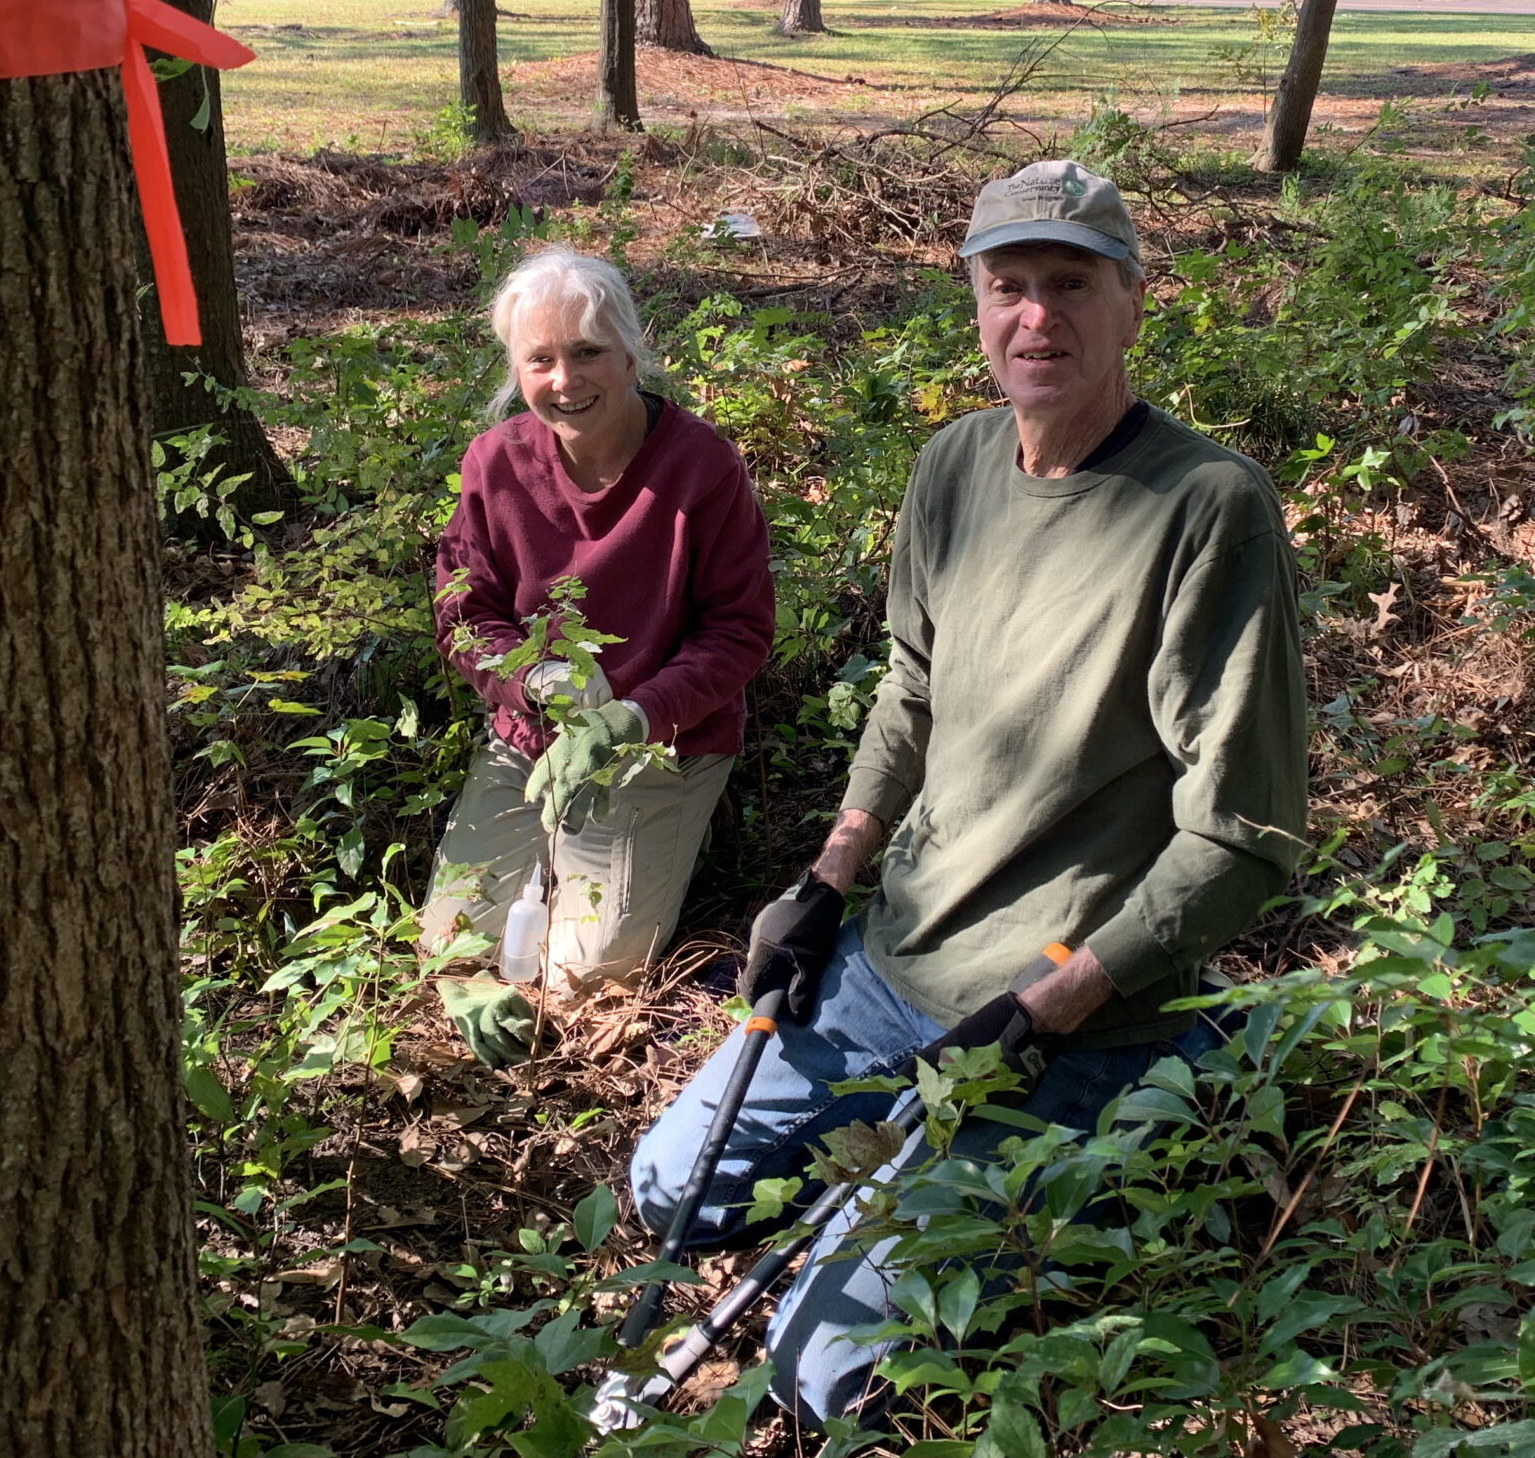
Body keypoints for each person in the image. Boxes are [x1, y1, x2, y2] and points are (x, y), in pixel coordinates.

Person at [628, 161, 1310, 1427]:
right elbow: (911, 690)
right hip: (896, 959)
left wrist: (1047, 1008)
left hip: (1065, 1005)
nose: (1035, 317)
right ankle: (901, 1170)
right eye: (1008, 287)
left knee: (825, 1372)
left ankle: (1164, 1096)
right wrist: (826, 878)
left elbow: (1241, 837)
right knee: (672, 1190)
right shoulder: (953, 465)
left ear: (1132, 303)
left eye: (1071, 285)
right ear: (977, 307)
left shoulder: (1208, 507)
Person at [424, 246, 775, 1065]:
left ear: (629, 352)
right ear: (516, 370)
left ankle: (684, 831)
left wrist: (632, 716)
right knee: (452, 943)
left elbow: (738, 631)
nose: (565, 380)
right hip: (530, 735)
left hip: (664, 742)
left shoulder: (701, 467)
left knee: (585, 976)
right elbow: (464, 612)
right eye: (540, 360)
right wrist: (532, 680)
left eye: (586, 352)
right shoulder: (496, 462)